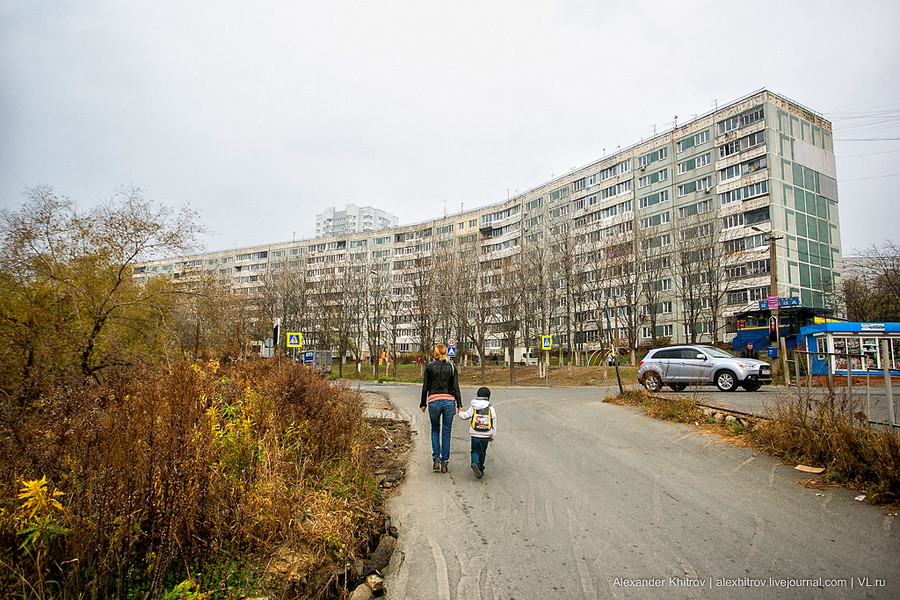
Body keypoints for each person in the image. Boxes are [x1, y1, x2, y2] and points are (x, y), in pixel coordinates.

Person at [420, 344, 462, 473]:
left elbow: (425, 386)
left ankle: (436, 459)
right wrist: (459, 404)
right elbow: (456, 387)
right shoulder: (451, 367)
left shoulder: (430, 367)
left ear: (436, 353)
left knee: (434, 430)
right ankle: (445, 462)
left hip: (433, 401)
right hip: (449, 401)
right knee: (446, 432)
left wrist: (423, 403)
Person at [458, 386, 497, 480]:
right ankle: (481, 468)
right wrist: (493, 435)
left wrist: (460, 412)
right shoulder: (491, 408)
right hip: (486, 434)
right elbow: (494, 422)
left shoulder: (474, 407)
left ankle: (475, 463)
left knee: (475, 450)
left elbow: (465, 416)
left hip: (475, 433)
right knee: (483, 452)